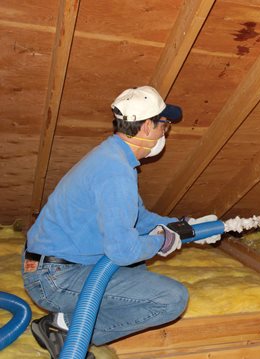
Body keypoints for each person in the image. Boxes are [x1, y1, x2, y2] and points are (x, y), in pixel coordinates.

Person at [22, 86, 219, 358]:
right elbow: (122, 251)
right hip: (54, 278)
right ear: (147, 126)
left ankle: (66, 321)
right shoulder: (115, 172)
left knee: (139, 273)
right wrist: (162, 241)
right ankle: (65, 326)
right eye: (164, 125)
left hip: (54, 264)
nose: (165, 132)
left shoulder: (113, 156)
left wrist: (186, 226)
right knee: (170, 299)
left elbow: (139, 219)